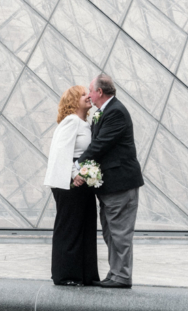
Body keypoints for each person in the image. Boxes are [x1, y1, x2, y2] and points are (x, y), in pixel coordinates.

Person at [74, 73, 143, 289]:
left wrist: (79, 165)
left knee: (120, 232)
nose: (89, 96)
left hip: (120, 184)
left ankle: (122, 276)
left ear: (100, 92)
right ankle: (115, 273)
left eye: (91, 91)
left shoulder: (116, 113)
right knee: (110, 231)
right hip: (110, 185)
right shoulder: (105, 112)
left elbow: (101, 144)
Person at [45, 85, 99, 287]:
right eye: (84, 94)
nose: (88, 97)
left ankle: (85, 275)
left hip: (82, 182)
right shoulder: (71, 121)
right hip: (70, 183)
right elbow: (60, 152)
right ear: (73, 101)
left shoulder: (83, 123)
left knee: (84, 226)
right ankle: (65, 275)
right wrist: (73, 174)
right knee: (70, 228)